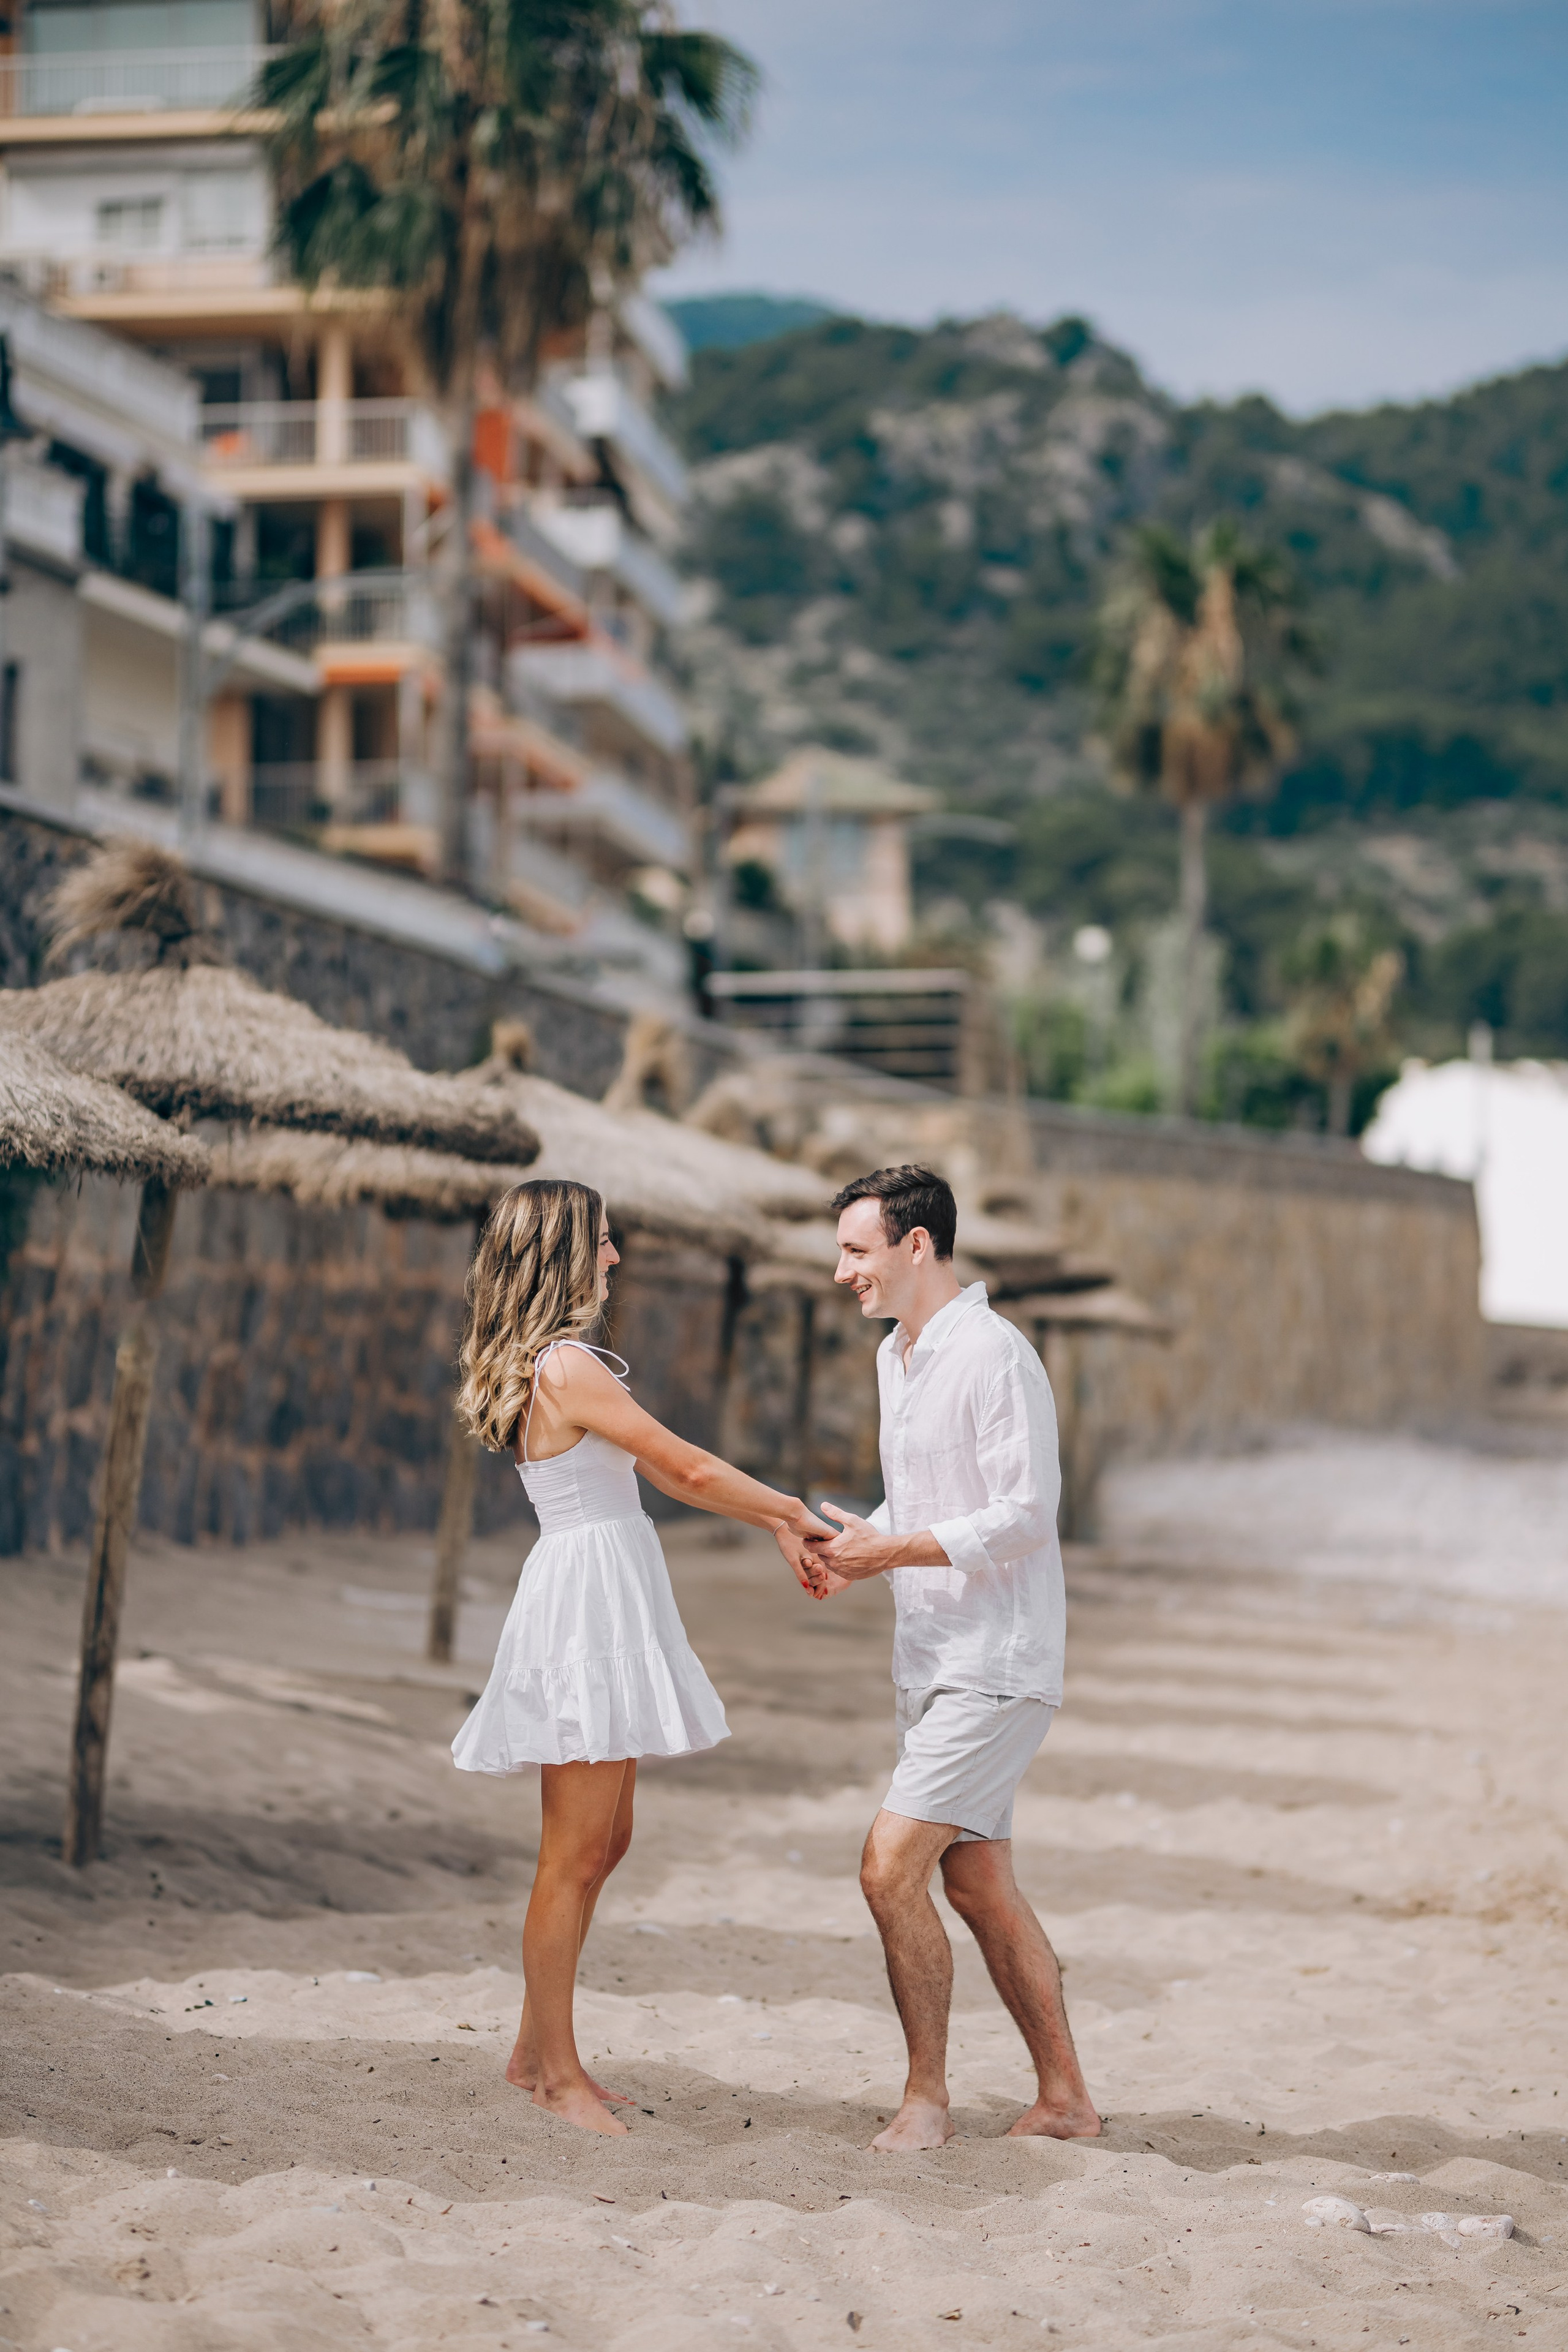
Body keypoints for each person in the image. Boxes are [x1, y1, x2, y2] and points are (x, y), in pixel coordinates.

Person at [451, 1177, 831, 2136]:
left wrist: (772, 1521)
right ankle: (555, 2074)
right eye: (605, 1243)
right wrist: (789, 1512)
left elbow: (670, 1474)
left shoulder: (568, 1368)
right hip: (585, 1606)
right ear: (565, 1255)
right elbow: (688, 1466)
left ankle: (535, 2049)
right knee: (573, 1855)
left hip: (606, 1591)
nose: (616, 1258)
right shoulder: (568, 1367)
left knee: (606, 1843)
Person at [806, 1164, 1101, 2150]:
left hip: (999, 1660)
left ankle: (925, 2100)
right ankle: (1065, 2099)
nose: (842, 1268)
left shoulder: (995, 1354)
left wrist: (890, 1549)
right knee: (975, 1886)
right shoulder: (898, 1355)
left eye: (857, 1249)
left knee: (889, 1868)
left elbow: (1025, 1515)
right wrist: (860, 1549)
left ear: (916, 1244)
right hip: (929, 1659)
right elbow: (933, 1508)